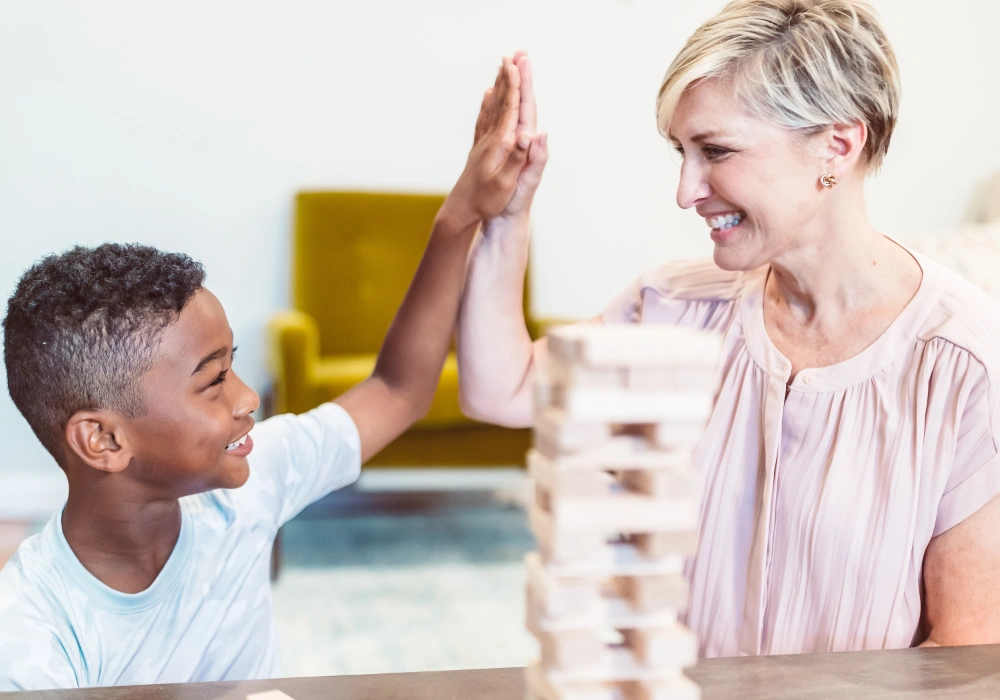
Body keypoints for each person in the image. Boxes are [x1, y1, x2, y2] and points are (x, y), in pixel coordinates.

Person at [458, 4, 1000, 656]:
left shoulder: (966, 365)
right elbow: (500, 389)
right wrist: (505, 216)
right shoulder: (670, 307)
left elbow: (967, 657)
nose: (685, 191)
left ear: (837, 146)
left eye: (715, 151)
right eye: (681, 153)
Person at [0, 56, 548, 690]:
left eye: (232, 366)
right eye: (212, 381)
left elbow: (398, 390)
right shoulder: (32, 638)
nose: (247, 399)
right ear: (103, 439)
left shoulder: (247, 484)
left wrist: (460, 215)